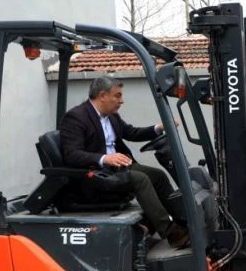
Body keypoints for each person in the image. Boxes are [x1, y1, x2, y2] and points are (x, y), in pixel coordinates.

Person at [59, 76, 188, 247]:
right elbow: (72, 154)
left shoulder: (112, 117)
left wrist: (158, 128)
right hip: (96, 174)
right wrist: (105, 158)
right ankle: (171, 233)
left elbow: (131, 133)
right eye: (117, 96)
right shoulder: (76, 117)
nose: (122, 101)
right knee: (140, 179)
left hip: (118, 168)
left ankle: (184, 221)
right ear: (103, 95)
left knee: (158, 176)